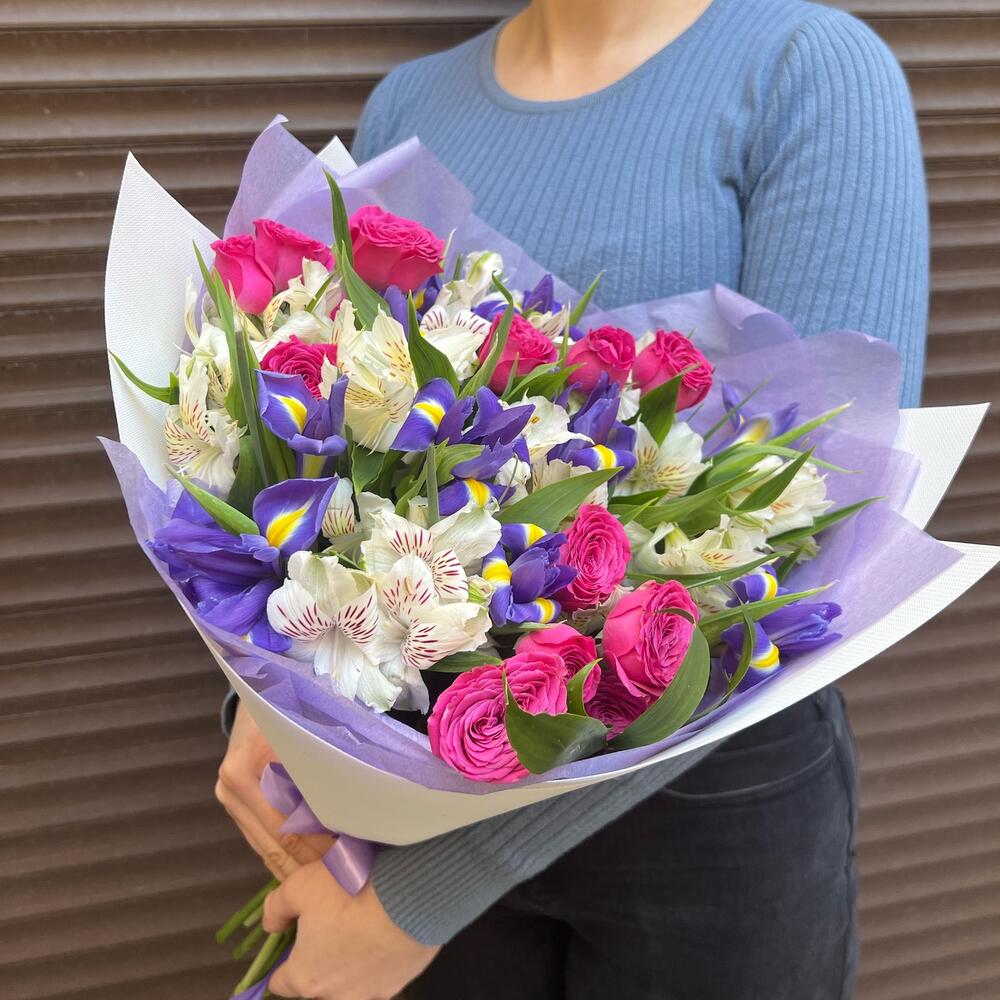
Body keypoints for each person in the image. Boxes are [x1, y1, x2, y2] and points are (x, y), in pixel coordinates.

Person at [215, 1, 928, 996]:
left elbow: (815, 524)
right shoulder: (410, 105)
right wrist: (270, 691)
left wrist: (423, 899)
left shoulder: (804, 73)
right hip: (427, 781)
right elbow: (340, 438)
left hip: (701, 832)